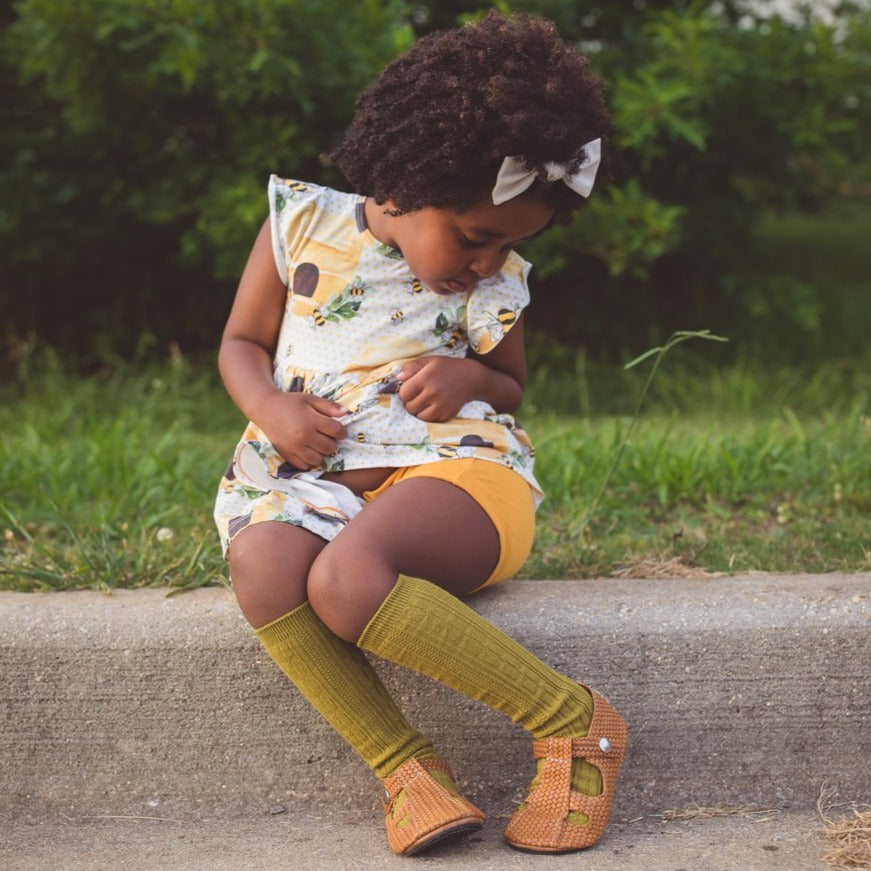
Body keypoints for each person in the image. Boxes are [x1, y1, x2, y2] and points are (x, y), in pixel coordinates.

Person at [214, 10, 626, 857]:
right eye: (474, 238)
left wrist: (469, 377)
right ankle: (407, 771)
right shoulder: (298, 223)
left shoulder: (493, 282)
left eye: (505, 246)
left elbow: (509, 385)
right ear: (405, 181)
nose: (486, 263)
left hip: (460, 478)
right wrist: (269, 407)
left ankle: (572, 721)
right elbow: (240, 343)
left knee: (346, 578)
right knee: (262, 566)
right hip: (310, 480)